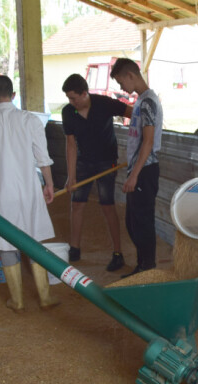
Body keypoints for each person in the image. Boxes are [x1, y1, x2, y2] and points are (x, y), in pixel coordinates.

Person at [0, 75, 58, 311]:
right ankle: (45, 297)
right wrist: (48, 184)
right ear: (14, 94)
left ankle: (17, 300)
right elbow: (43, 157)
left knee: (6, 241)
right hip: (28, 190)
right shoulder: (29, 120)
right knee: (34, 238)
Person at [61, 73, 128, 271]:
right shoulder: (68, 112)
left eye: (73, 98)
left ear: (84, 93)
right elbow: (71, 145)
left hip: (107, 163)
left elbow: (135, 113)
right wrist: (71, 177)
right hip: (83, 162)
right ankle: (75, 248)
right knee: (77, 203)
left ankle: (117, 253)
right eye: (68, 98)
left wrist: (141, 140)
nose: (71, 102)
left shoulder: (104, 103)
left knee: (107, 205)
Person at [109, 58, 163, 278]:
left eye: (121, 81)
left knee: (141, 221)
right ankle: (143, 265)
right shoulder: (141, 101)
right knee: (133, 222)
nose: (121, 87)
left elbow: (148, 142)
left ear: (130, 75)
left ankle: (146, 267)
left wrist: (135, 175)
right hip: (139, 169)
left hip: (145, 170)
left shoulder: (149, 101)